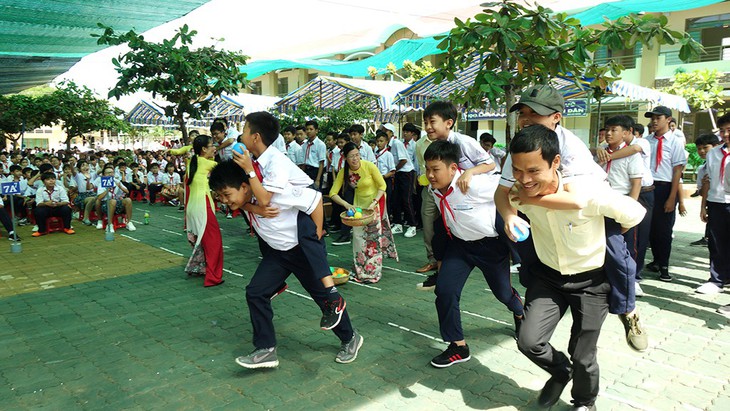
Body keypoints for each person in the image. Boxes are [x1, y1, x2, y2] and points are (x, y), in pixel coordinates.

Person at [509, 125, 645, 410]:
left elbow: (636, 213)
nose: (525, 179)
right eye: (518, 171)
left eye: (533, 171)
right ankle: (560, 372)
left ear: (555, 162)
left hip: (592, 284)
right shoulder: (519, 193)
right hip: (548, 279)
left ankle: (584, 401)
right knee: (528, 341)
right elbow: (506, 200)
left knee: (583, 355)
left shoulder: (588, 192)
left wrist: (611, 230)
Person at [210, 160, 363, 368]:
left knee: (325, 299)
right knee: (255, 292)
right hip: (277, 255)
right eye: (221, 197)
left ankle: (350, 338)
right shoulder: (243, 200)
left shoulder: (275, 192)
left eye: (227, 195)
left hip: (302, 253)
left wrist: (317, 233)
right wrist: (252, 207)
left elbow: (315, 198)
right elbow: (245, 206)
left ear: (244, 187)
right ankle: (266, 349)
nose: (225, 201)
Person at [232, 111, 347, 315]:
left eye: (244, 131)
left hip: (306, 204)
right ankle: (277, 284)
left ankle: (333, 295)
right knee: (265, 237)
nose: (241, 136)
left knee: (312, 243)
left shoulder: (274, 160)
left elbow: (265, 198)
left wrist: (249, 170)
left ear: (255, 137)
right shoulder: (257, 160)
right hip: (293, 208)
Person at [423, 140, 524, 368]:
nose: (430, 175)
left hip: (490, 247)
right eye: (427, 169)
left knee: (503, 293)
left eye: (435, 169)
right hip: (459, 247)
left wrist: (512, 218)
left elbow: (511, 188)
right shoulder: (434, 189)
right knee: (445, 292)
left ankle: (520, 314)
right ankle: (458, 346)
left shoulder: (474, 184)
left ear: (452, 168)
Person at [416, 101, 497, 289]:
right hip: (450, 197)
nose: (428, 127)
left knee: (498, 229)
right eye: (425, 122)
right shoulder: (436, 145)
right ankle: (441, 273)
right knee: (439, 234)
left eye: (432, 122)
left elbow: (490, 165)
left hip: (480, 194)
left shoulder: (463, 142)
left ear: (449, 123)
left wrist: (470, 173)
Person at [601, 115, 648, 351]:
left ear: (626, 132)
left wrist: (628, 214)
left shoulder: (632, 154)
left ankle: (629, 310)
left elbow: (635, 186)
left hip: (620, 207)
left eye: (614, 130)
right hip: (598, 207)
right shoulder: (599, 151)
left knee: (622, 257)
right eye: (606, 130)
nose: (608, 134)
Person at [329, 142, 398, 283]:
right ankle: (361, 271)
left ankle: (373, 273)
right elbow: (332, 193)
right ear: (345, 158)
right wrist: (347, 204)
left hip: (375, 204)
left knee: (373, 239)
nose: (355, 159)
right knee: (359, 239)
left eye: (357, 155)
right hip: (358, 207)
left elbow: (382, 186)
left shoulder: (369, 166)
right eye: (351, 156)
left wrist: (374, 203)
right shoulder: (344, 171)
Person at [169, 135, 224, 287]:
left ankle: (200, 268)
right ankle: (212, 278)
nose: (215, 147)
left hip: (193, 207)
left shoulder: (192, 161)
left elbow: (184, 150)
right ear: (204, 149)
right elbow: (225, 168)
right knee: (214, 242)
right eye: (212, 145)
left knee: (204, 241)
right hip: (202, 206)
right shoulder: (204, 162)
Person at [644, 106, 687, 281]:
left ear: (668, 119)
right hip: (649, 188)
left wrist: (672, 198)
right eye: (652, 118)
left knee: (664, 229)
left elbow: (677, 171)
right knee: (650, 228)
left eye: (658, 117)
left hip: (666, 187)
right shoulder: (647, 141)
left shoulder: (675, 142)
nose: (654, 121)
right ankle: (655, 260)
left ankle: (664, 266)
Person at [697, 113, 730, 295]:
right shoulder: (713, 154)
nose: (725, 134)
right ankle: (716, 280)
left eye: (729, 130)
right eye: (722, 131)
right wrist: (703, 205)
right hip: (716, 202)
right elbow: (708, 181)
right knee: (717, 243)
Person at [382, 123, 418, 238]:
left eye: (386, 131)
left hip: (406, 173)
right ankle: (398, 224)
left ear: (391, 133)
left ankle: (412, 225)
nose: (384, 132)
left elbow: (403, 160)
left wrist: (394, 170)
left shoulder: (397, 143)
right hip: (398, 173)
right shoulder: (391, 144)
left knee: (406, 199)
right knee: (395, 199)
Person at [689, 134, 719, 249]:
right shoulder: (703, 169)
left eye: (705, 148)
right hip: (713, 204)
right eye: (699, 148)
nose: (702, 151)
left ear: (716, 146)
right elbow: (701, 192)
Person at [94, 166, 136, 233]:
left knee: (128, 200)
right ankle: (109, 224)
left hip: (116, 201)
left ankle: (129, 222)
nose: (110, 174)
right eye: (108, 173)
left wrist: (120, 186)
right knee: (112, 201)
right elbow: (99, 198)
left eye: (112, 172)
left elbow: (127, 191)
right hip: (105, 204)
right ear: (104, 174)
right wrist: (107, 190)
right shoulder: (102, 183)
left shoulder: (116, 181)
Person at [32, 172, 75, 237]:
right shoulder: (40, 190)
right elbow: (38, 203)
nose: (51, 181)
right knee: (38, 210)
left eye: (53, 179)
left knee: (66, 208)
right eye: (48, 179)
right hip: (46, 208)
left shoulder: (60, 188)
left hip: (58, 207)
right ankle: (41, 230)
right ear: (43, 182)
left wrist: (59, 203)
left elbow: (66, 201)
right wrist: (47, 203)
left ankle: (67, 228)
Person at [302, 120, 327, 190]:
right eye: (307, 129)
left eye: (311, 129)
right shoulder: (304, 145)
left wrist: (318, 179)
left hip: (316, 171)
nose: (309, 131)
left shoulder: (320, 144)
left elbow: (321, 163)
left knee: (316, 192)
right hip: (307, 170)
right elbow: (304, 160)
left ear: (316, 131)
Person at [374, 132, 396, 206]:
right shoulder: (375, 153)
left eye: (381, 141)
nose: (379, 143)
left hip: (385, 180)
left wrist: (383, 177)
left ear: (386, 142)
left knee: (386, 201)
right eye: (377, 141)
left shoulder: (388, 154)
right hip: (376, 180)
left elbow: (392, 171)